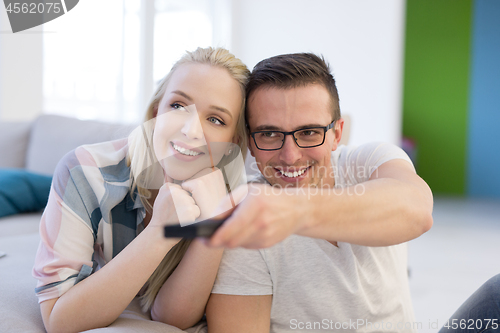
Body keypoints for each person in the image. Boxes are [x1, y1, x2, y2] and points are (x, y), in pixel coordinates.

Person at [205, 53, 434, 332]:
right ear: (251, 142)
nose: (290, 156)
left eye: (309, 132)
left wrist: (294, 211)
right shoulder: (246, 227)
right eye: (269, 134)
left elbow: (417, 211)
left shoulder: (370, 161)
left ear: (337, 133)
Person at [32, 47, 250, 333]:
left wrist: (211, 227)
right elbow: (58, 319)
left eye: (215, 119)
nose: (191, 130)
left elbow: (172, 317)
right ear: (156, 111)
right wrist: (160, 232)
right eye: (179, 106)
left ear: (232, 141)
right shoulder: (84, 171)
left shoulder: (233, 196)